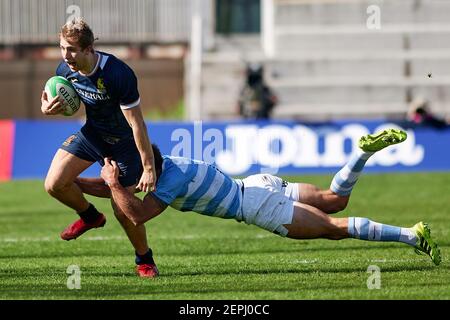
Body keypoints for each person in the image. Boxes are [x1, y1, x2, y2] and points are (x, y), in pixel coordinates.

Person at [95, 129, 442, 273]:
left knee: (335, 228)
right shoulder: (167, 165)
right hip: (258, 183)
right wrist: (70, 185)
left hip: (256, 206)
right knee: (334, 199)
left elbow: (136, 214)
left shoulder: (167, 181)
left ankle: (413, 235)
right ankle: (362, 154)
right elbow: (123, 189)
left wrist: (111, 183)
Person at [40, 18, 159, 278]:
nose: (66, 55)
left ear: (88, 49)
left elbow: (137, 124)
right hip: (92, 135)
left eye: (72, 49)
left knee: (123, 209)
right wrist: (46, 107)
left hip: (124, 143)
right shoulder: (65, 69)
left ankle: (144, 259)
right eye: (62, 47)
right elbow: (51, 94)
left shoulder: (118, 74)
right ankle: (90, 216)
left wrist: (148, 167)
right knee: (54, 184)